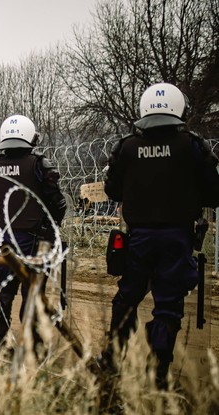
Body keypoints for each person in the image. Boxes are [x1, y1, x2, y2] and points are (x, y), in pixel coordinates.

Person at [99, 83, 219, 389]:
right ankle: (159, 373)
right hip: (177, 237)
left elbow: (111, 189)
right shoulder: (191, 145)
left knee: (127, 298)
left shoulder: (126, 147)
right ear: (178, 107)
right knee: (168, 304)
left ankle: (112, 361)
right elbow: (213, 191)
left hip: (138, 237)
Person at [0, 114, 67, 353]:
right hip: (31, 238)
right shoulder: (39, 163)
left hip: (0, 237)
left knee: (2, 291)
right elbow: (58, 203)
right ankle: (31, 343)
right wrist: (52, 228)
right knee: (32, 291)